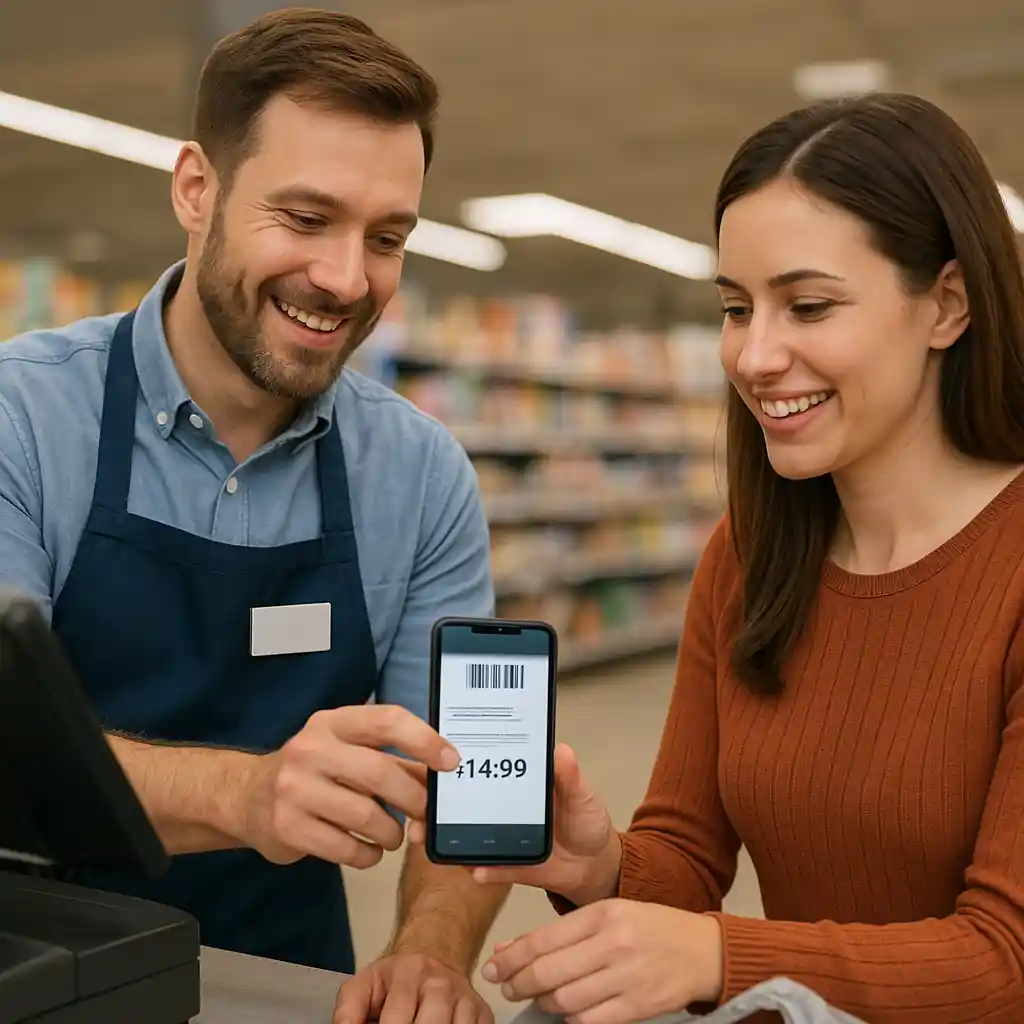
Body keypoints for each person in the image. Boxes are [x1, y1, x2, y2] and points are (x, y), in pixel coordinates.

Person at [454, 93, 1024, 1024]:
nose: (756, 355)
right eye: (734, 307)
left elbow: (1006, 963)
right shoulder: (749, 556)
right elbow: (686, 858)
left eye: (808, 305)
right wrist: (602, 865)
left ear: (947, 305)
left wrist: (720, 954)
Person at [0, 9, 508, 1024]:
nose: (345, 279)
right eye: (306, 217)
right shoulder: (24, 414)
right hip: (40, 968)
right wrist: (247, 793)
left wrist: (431, 950)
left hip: (287, 986)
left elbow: (479, 785)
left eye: (387, 237)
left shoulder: (420, 474)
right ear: (198, 189)